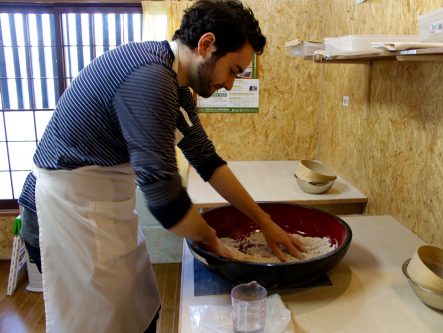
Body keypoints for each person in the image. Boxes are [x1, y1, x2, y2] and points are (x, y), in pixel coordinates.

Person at [17, 1, 304, 332]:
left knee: (139, 307)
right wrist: (216, 243)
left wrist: (264, 221)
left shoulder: (174, 81)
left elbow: (208, 162)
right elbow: (167, 201)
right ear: (206, 45)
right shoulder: (149, 77)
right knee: (99, 322)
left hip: (100, 207)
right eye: (233, 71)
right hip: (64, 211)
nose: (230, 85)